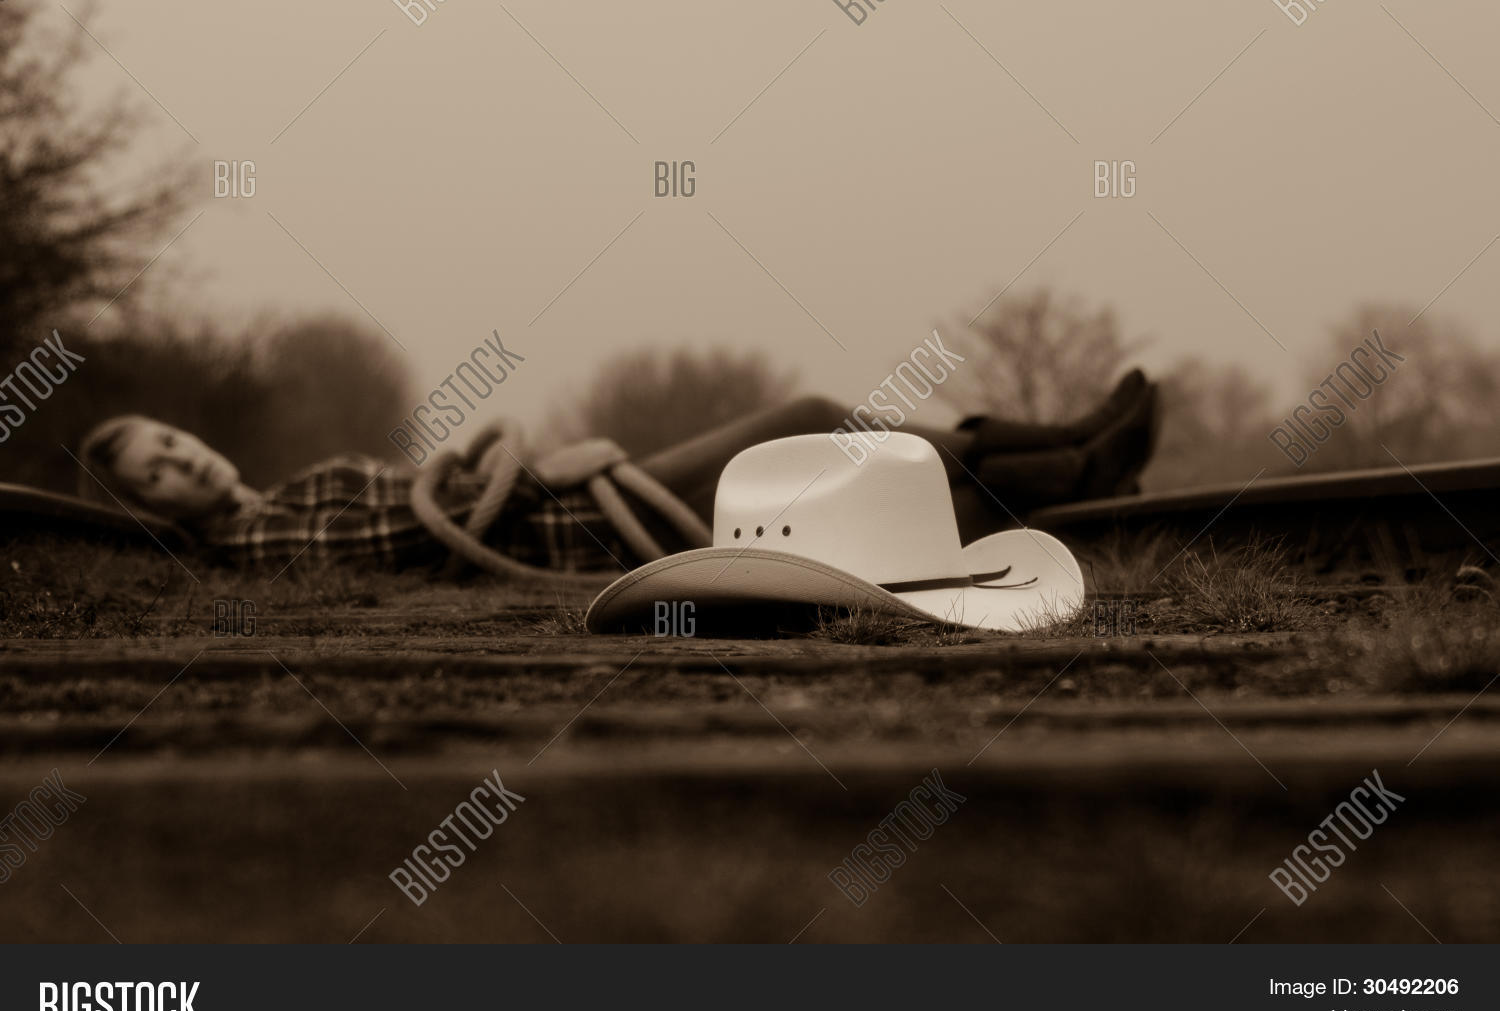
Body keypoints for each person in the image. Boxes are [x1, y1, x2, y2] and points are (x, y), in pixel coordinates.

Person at [75, 371, 1158, 574]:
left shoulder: (297, 486)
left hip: (574, 496)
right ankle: (1063, 455)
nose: (183, 456)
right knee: (817, 422)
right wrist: (524, 475)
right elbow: (414, 531)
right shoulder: (258, 541)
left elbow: (429, 492)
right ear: (149, 506)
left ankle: (1062, 458)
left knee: (836, 455)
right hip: (583, 526)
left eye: (174, 440)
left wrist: (484, 460)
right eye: (159, 471)